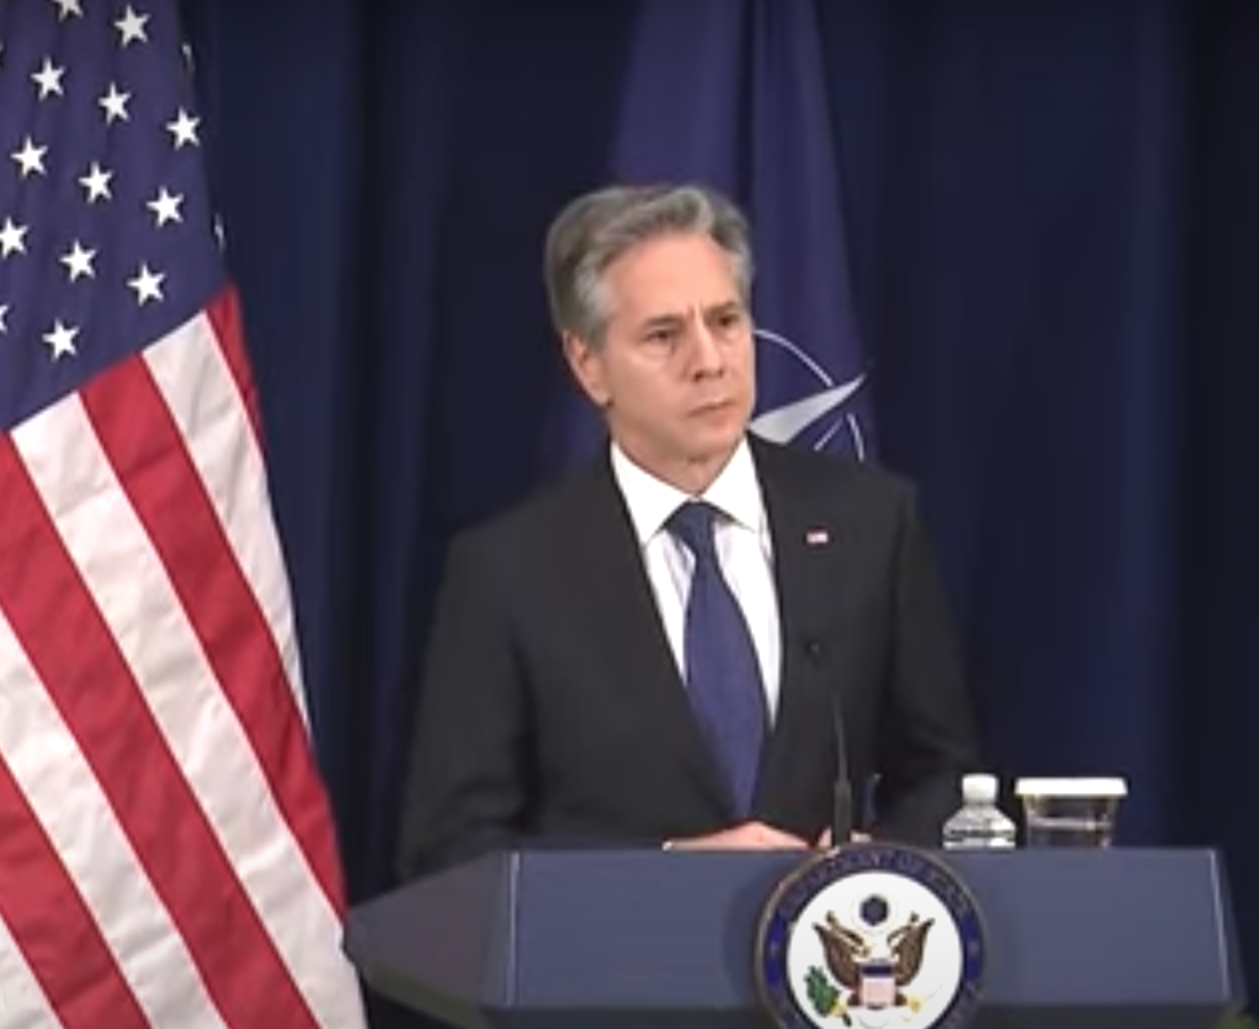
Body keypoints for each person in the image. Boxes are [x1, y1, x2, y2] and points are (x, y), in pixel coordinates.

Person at [396, 182, 981, 883]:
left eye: (726, 321)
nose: (709, 361)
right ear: (588, 365)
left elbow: (946, 779)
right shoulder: (510, 574)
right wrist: (667, 871)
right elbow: (454, 847)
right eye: (663, 336)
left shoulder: (871, 525)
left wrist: (875, 861)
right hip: (616, 954)